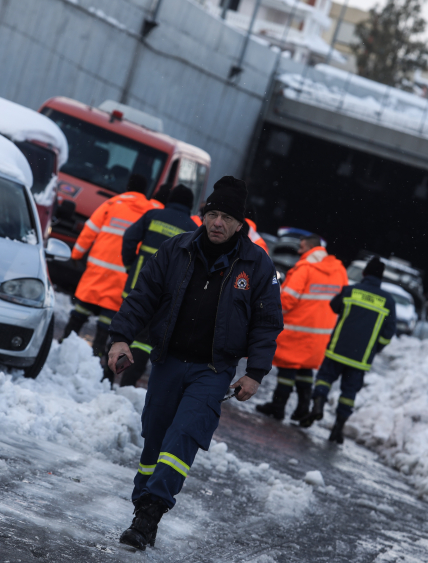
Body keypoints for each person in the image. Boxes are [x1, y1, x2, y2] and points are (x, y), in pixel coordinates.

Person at [106, 176, 283, 550]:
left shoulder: (257, 265)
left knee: (183, 436)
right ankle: (144, 501)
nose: (217, 222)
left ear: (240, 224)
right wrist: (120, 337)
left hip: (213, 371)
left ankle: (149, 514)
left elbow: (266, 323)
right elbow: (143, 297)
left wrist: (254, 373)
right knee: (155, 436)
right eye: (212, 213)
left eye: (226, 217)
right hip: (169, 361)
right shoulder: (176, 250)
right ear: (203, 215)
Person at [61, 174, 157, 366]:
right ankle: (96, 360)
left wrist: (76, 255)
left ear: (127, 187)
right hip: (122, 275)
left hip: (97, 271)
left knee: (80, 312)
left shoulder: (112, 204)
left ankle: (62, 347)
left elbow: (89, 230)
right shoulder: (150, 211)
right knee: (107, 323)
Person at [298, 258, 396, 443]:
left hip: (337, 349)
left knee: (324, 379)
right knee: (349, 394)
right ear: (381, 278)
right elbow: (388, 333)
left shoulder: (351, 291)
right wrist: (375, 348)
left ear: (364, 273)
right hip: (360, 358)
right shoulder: (388, 301)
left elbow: (334, 306)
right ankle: (338, 428)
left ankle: (317, 405)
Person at [256, 233, 347, 421]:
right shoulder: (339, 270)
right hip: (321, 334)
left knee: (287, 368)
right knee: (305, 369)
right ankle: (303, 407)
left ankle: (278, 406)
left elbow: (288, 299)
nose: (299, 251)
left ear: (311, 248)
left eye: (302, 247)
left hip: (297, 330)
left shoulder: (305, 268)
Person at [118, 184, 199, 388]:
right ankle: (127, 383)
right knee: (145, 341)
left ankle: (108, 375)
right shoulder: (193, 229)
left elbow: (129, 238)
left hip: (137, 285)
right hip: (163, 296)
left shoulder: (153, 215)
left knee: (124, 331)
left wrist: (130, 264)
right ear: (190, 205)